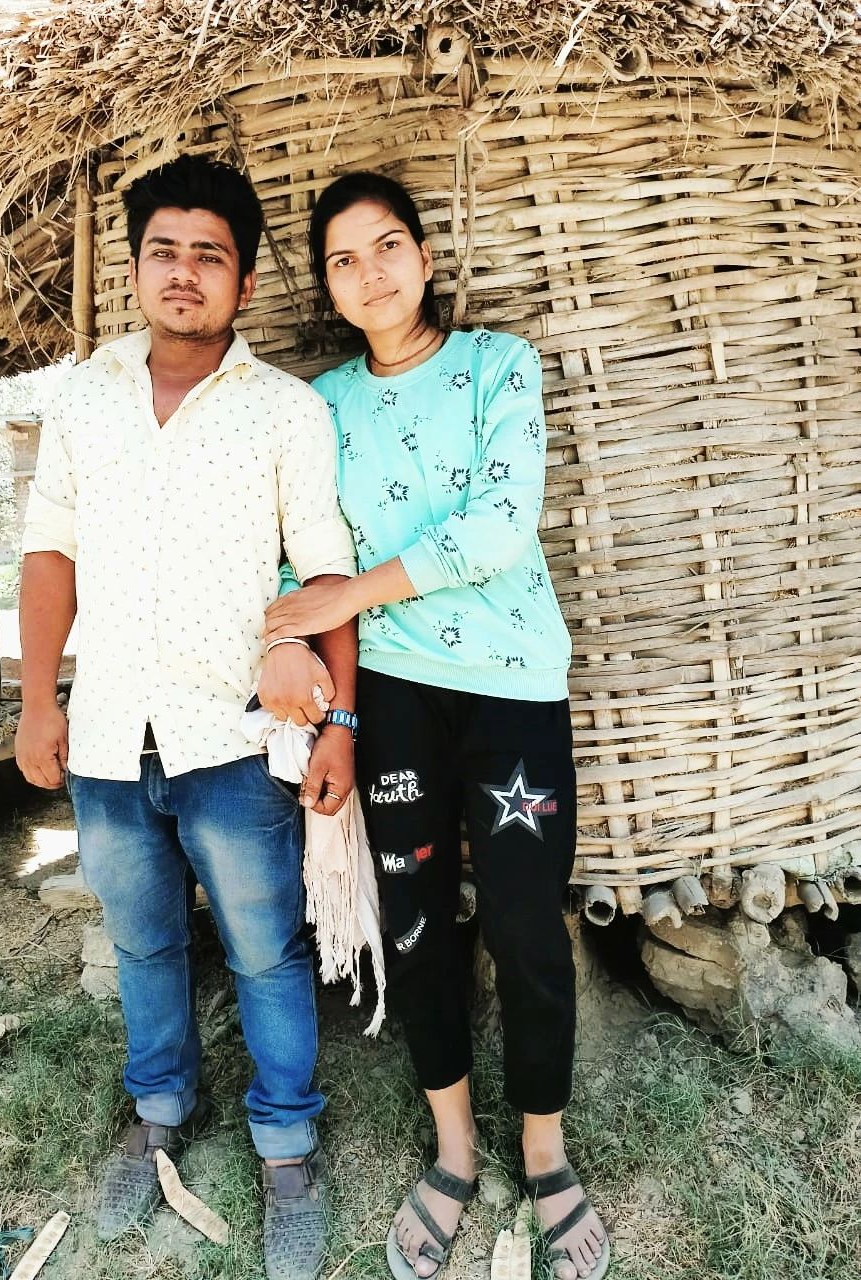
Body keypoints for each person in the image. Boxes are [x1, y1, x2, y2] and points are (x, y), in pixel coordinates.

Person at [15, 154, 359, 1280]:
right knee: (144, 940)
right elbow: (51, 554)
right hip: (110, 732)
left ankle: (287, 1146)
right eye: (164, 250)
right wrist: (38, 701)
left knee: (265, 948)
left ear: (243, 284)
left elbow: (329, 577)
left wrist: (342, 723)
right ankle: (158, 1112)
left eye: (210, 255)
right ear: (134, 269)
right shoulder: (83, 399)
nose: (184, 272)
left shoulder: (287, 412)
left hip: (232, 740)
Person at [264, 172, 609, 1280]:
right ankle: (454, 1147)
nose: (369, 272)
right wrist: (291, 636)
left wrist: (347, 594)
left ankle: (545, 1150)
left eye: (386, 246)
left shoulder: (500, 364)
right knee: (413, 922)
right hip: (394, 698)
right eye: (343, 259)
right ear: (327, 287)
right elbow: (298, 547)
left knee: (524, 920)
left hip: (511, 685)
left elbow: (501, 525)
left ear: (423, 255)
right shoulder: (318, 407)